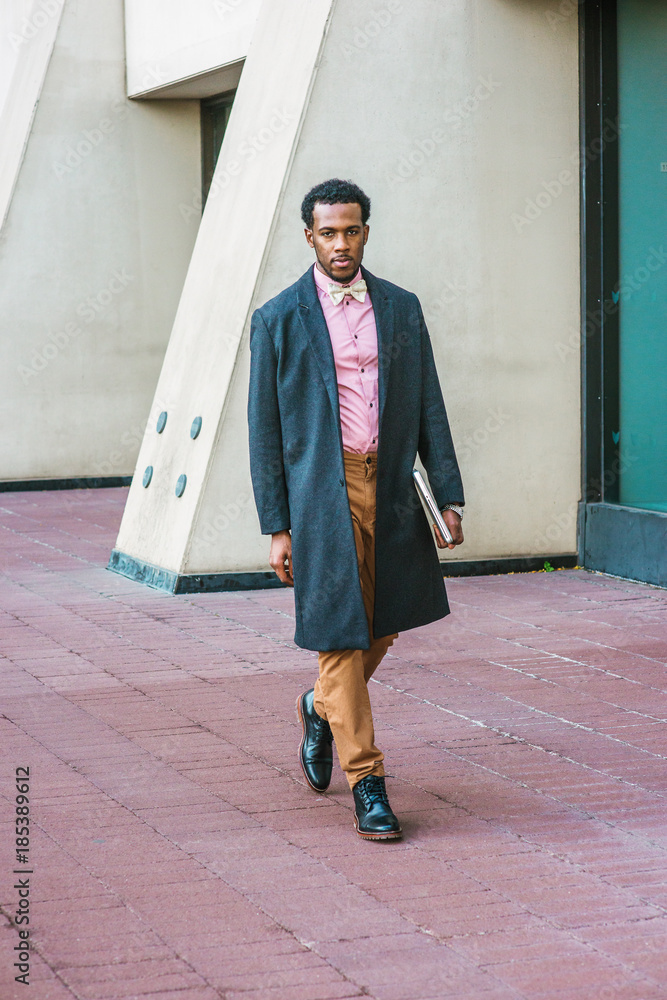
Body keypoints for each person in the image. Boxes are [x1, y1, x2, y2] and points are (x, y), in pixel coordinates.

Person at [248, 178, 464, 840]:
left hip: (392, 487)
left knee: (385, 621)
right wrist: (276, 525)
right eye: (328, 232)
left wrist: (448, 492)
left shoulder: (400, 307)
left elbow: (428, 399)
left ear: (365, 230)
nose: (341, 243)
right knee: (342, 632)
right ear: (308, 237)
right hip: (322, 492)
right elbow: (264, 429)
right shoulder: (278, 317)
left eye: (351, 230)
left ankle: (319, 706)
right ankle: (367, 783)